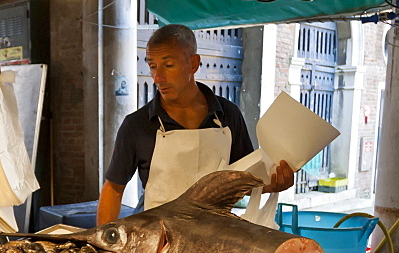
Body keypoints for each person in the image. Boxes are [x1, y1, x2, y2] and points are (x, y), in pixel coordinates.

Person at [97, 24, 294, 225]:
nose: (158, 77)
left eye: (169, 65)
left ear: (193, 64)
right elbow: (113, 189)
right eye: (153, 66)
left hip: (214, 235)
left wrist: (272, 184)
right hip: (159, 239)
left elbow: (244, 180)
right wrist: (100, 248)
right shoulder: (137, 125)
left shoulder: (227, 115)